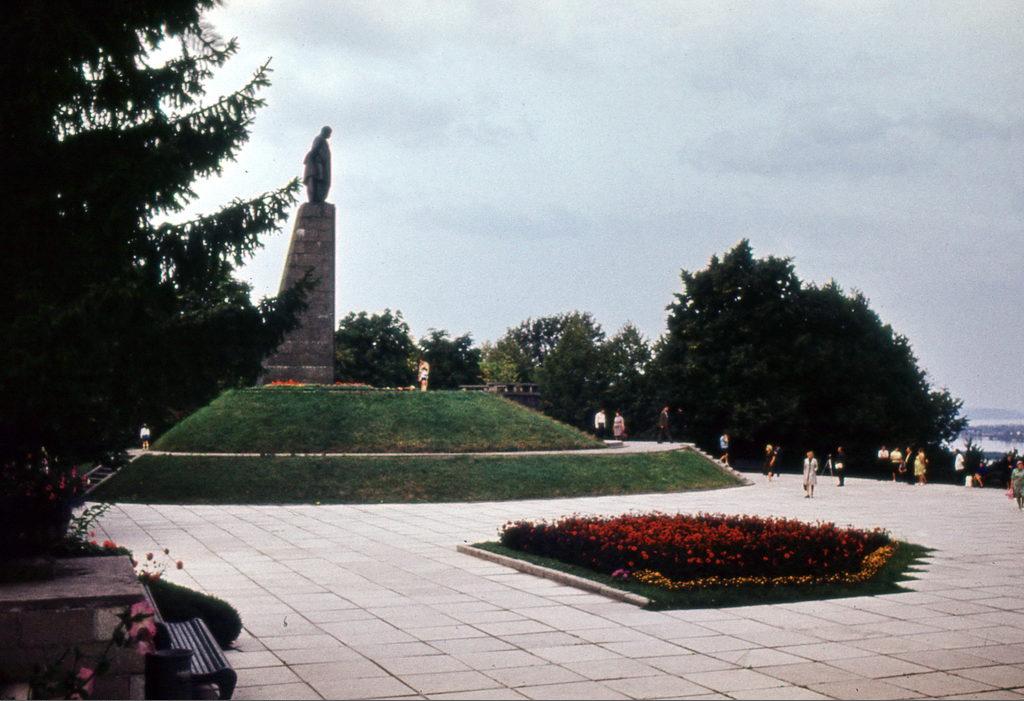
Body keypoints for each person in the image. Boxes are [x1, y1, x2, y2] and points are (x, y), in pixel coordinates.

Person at [302, 126, 333, 203]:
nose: (330, 135)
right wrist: (313, 164)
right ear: (325, 132)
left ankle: (318, 199)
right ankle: (315, 200)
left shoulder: (322, 140)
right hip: (317, 165)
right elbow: (314, 150)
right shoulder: (319, 139)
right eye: (329, 133)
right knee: (316, 181)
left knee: (319, 181)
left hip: (320, 165)